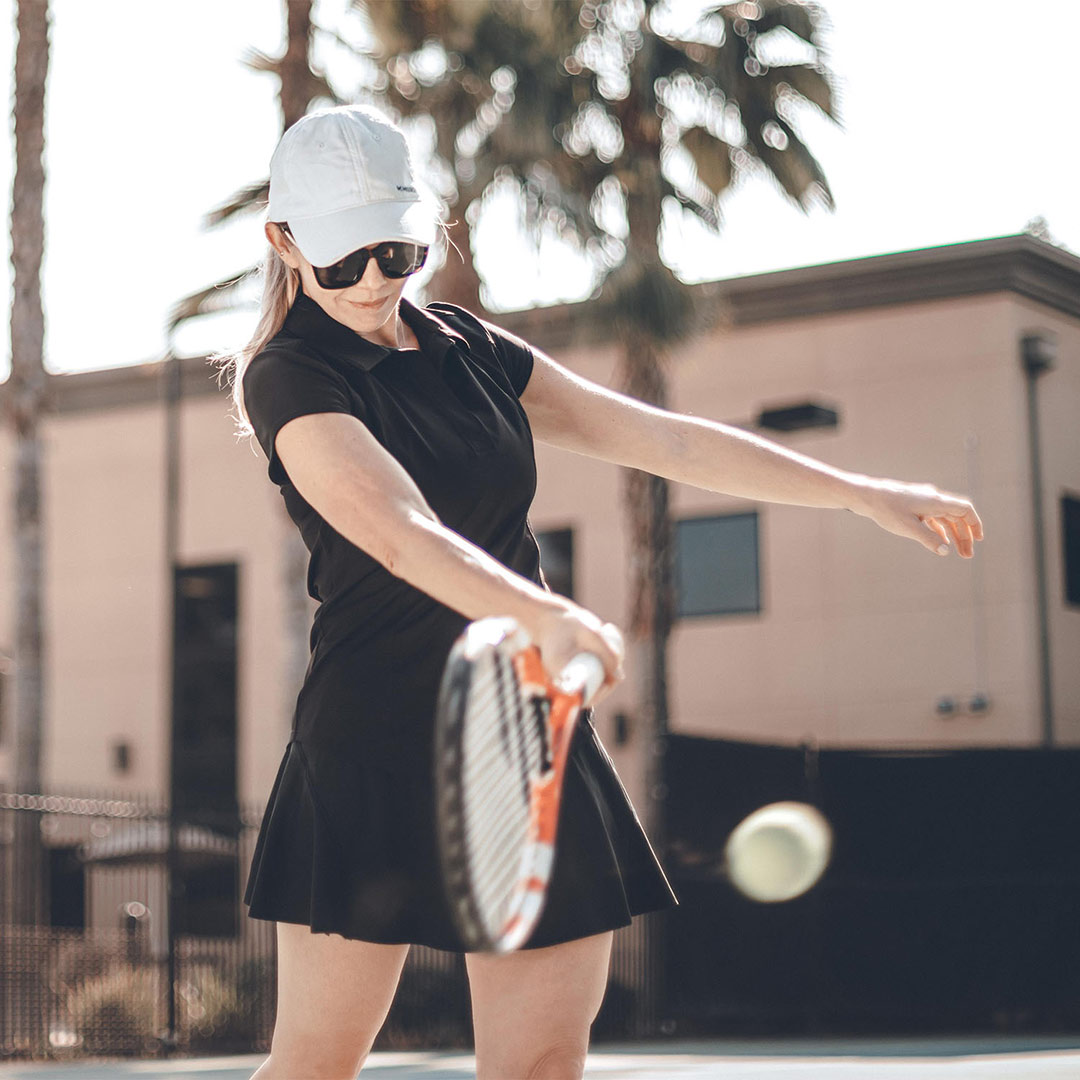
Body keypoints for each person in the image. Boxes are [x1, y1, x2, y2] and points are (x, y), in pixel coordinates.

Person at [225, 104, 983, 1080]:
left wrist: (861, 494)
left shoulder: (468, 349)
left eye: (397, 248)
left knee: (543, 1066)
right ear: (284, 243)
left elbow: (660, 439)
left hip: (529, 739)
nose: (375, 278)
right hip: (369, 748)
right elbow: (396, 528)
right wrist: (536, 611)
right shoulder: (290, 375)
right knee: (315, 1067)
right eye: (342, 259)